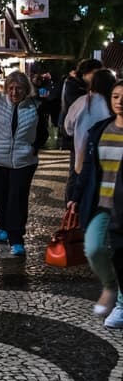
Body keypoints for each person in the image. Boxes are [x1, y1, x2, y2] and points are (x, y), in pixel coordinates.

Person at [67, 78, 123, 328]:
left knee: (122, 255)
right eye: (115, 96)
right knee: (94, 248)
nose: (120, 102)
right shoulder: (100, 129)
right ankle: (110, 285)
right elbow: (88, 169)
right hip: (101, 202)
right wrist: (75, 198)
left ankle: (121, 304)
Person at [0, 70, 48, 256]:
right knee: (0, 196)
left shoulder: (35, 106)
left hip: (24, 160)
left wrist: (33, 148)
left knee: (17, 198)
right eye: (11, 88)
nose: (14, 92)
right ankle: (3, 225)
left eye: (18, 89)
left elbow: (43, 132)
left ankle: (17, 238)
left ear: (26, 89)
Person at [63, 68, 115, 204]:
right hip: (106, 159)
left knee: (75, 185)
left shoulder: (81, 102)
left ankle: (71, 212)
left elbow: (68, 128)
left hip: (80, 155)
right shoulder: (112, 105)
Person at [57, 58, 103, 155]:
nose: (98, 77)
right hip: (75, 132)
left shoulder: (84, 85)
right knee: (77, 165)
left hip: (84, 132)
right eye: (95, 73)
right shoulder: (73, 85)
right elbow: (84, 107)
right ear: (85, 72)